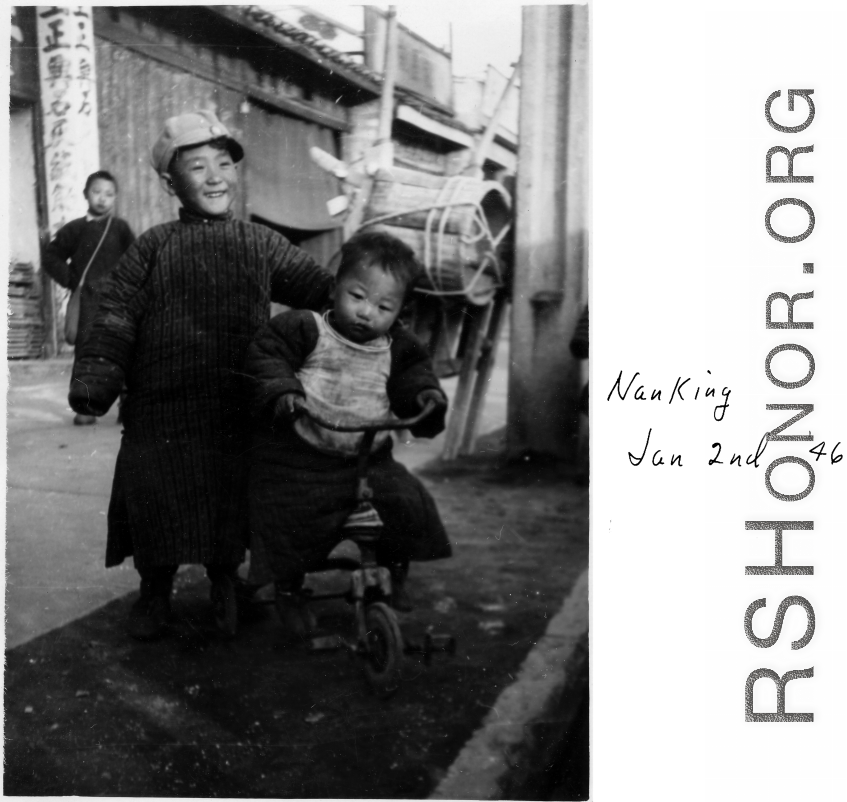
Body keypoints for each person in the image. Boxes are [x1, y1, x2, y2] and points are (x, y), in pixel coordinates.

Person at [68, 110, 335, 641]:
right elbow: (116, 312)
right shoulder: (154, 246)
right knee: (156, 502)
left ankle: (224, 581)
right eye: (197, 166)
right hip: (161, 409)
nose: (215, 176)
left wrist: (365, 293)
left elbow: (319, 287)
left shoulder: (260, 244)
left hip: (236, 404)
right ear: (171, 182)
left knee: (229, 499)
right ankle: (154, 591)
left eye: (223, 162)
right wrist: (96, 377)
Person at [244, 230, 452, 640]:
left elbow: (413, 375)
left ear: (399, 312)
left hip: (368, 456)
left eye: (383, 306)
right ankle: (289, 589)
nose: (366, 313)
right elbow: (267, 356)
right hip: (303, 456)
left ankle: (392, 574)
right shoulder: (306, 328)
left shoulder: (396, 345)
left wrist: (425, 395)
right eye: (356, 296)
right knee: (287, 516)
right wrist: (283, 392)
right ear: (335, 285)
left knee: (404, 501)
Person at [42, 171, 135, 425]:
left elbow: (136, 259)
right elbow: (51, 257)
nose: (102, 199)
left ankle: (129, 408)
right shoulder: (75, 229)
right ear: (86, 194)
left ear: (115, 197)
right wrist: (72, 280)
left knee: (125, 349)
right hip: (88, 302)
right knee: (86, 352)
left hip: (119, 300)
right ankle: (84, 406)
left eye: (109, 194)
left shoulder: (121, 228)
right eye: (97, 192)